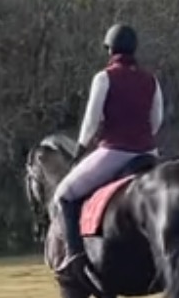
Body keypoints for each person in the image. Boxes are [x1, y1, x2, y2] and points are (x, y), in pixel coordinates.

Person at [52, 24, 164, 272]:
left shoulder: (104, 77)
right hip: (149, 153)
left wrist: (80, 151)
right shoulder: (151, 80)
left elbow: (91, 121)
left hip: (115, 151)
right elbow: (156, 121)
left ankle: (75, 256)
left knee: (64, 194)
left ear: (110, 49)